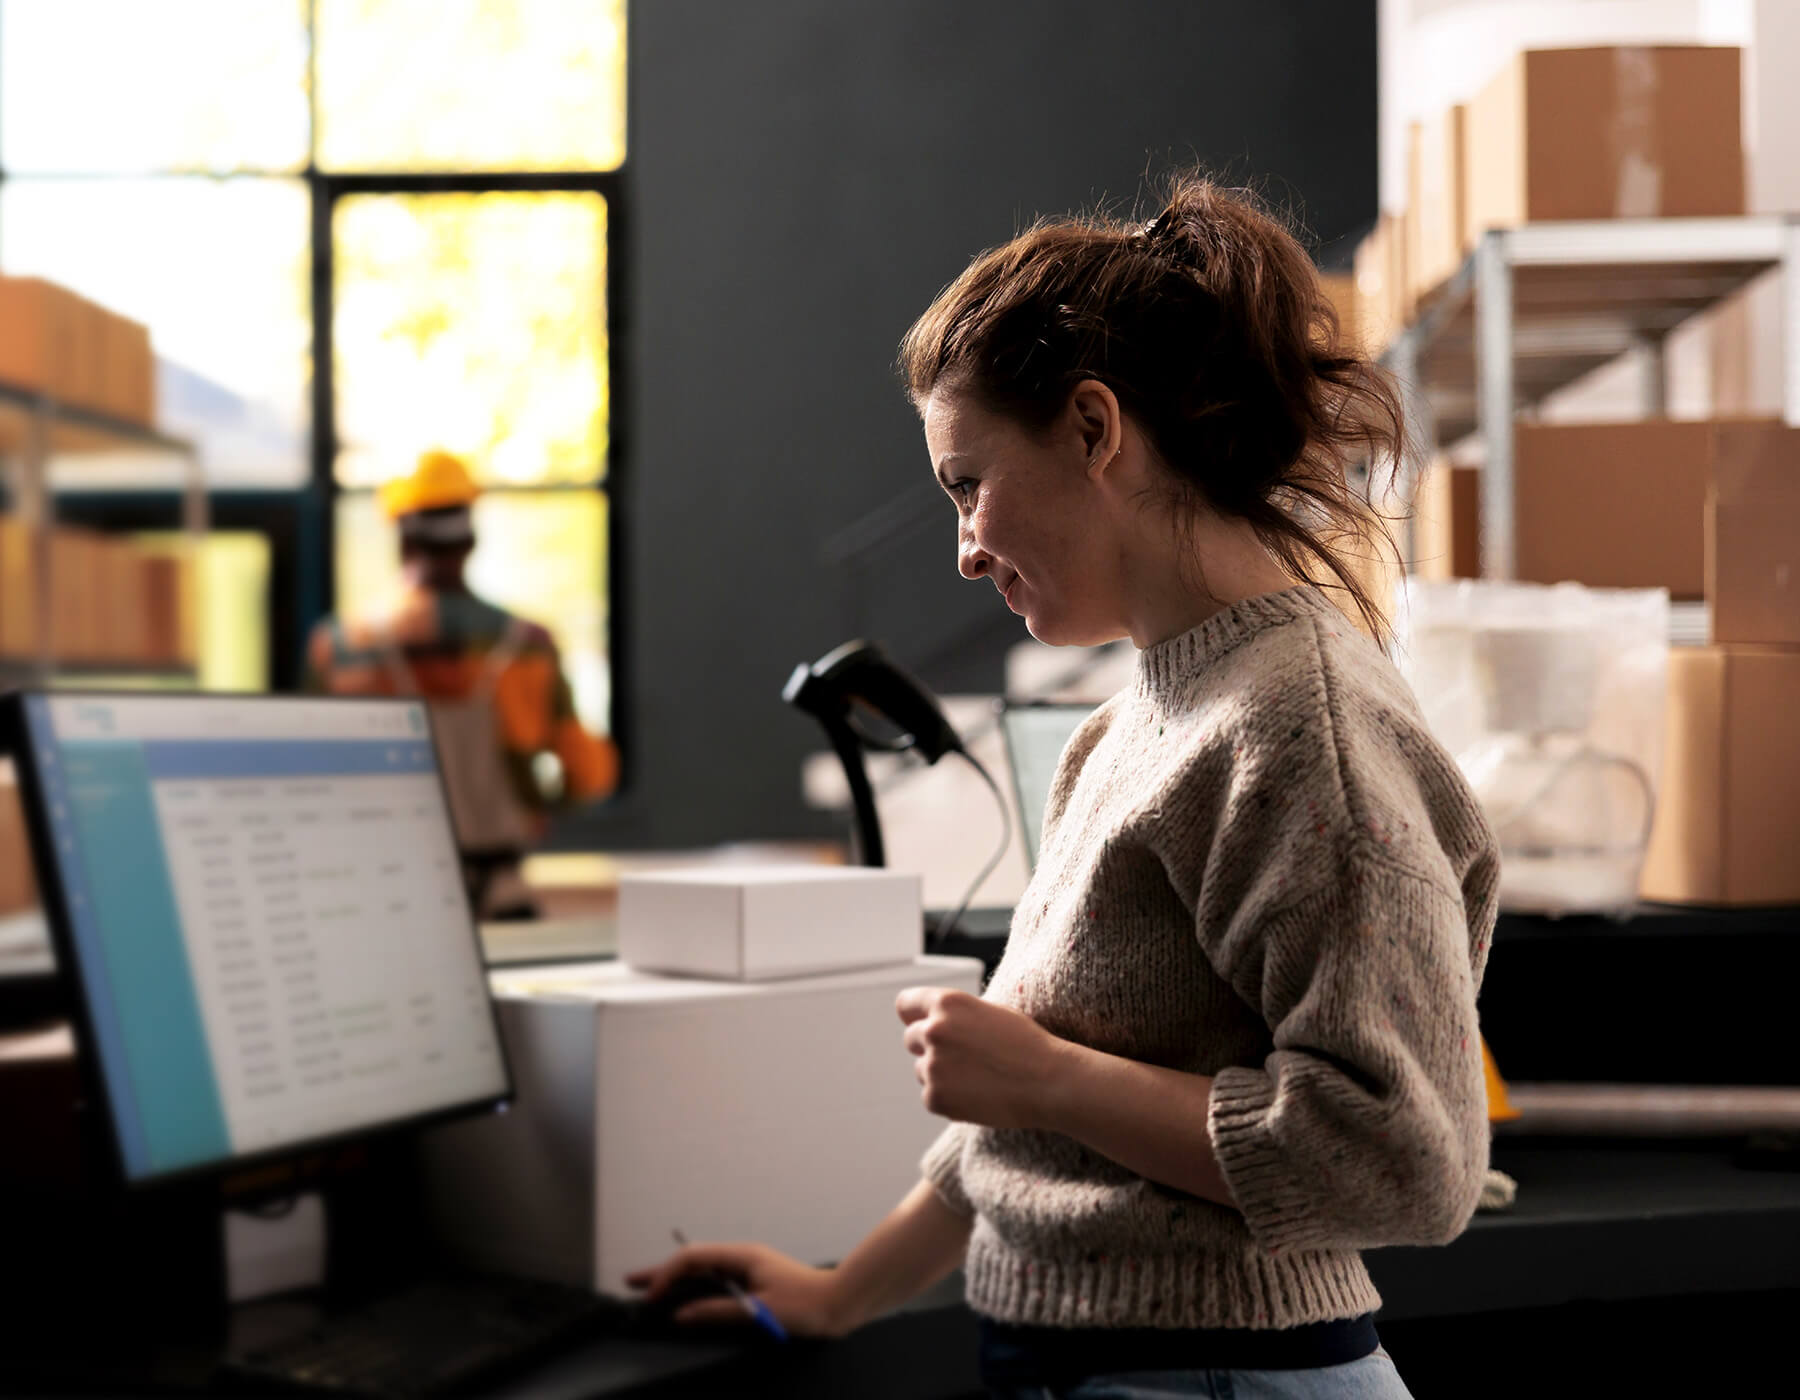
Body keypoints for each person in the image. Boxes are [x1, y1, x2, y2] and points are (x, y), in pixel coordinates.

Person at [626, 174, 1497, 1400]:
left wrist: (1042, 1075)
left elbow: (1407, 1162)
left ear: (1094, 429)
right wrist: (837, 1291)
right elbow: (1031, 1117)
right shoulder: (1120, 730)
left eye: (967, 483)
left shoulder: (1305, 726)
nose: (967, 546)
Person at [305, 449, 619, 919]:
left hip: (392, 900)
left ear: (402, 538)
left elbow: (313, 782)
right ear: (470, 538)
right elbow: (587, 774)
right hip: (502, 893)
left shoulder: (340, 647)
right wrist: (540, 801)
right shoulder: (528, 646)